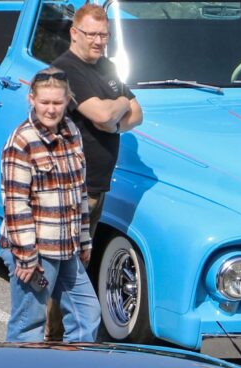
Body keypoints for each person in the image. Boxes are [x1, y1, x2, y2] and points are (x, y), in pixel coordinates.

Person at [44, 1, 143, 340]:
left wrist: (114, 119)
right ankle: (50, 337)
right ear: (74, 33)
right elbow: (102, 114)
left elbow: (137, 113)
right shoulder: (65, 71)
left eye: (105, 35)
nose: (99, 41)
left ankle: (62, 337)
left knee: (78, 263)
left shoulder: (108, 66)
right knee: (62, 266)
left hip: (97, 186)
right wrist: (118, 107)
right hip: (72, 188)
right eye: (92, 34)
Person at [0, 67, 101, 343]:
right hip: (36, 256)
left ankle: (74, 367)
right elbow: (15, 204)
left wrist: (84, 241)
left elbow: (79, 192)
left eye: (58, 102)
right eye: (45, 102)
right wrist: (26, 257)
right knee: (29, 323)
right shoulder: (21, 142)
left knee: (87, 313)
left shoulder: (72, 132)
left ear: (68, 100)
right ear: (31, 99)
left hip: (66, 249)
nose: (51, 109)